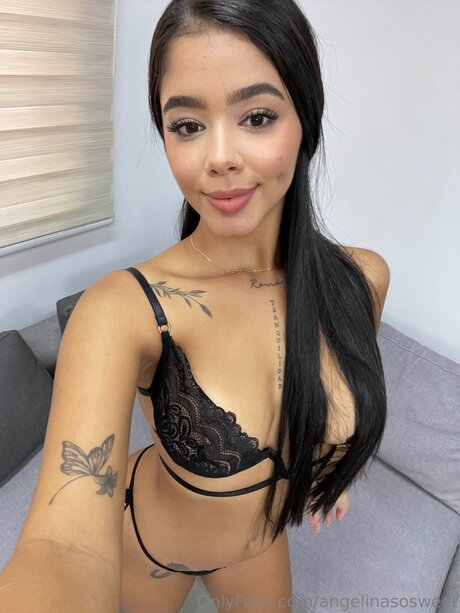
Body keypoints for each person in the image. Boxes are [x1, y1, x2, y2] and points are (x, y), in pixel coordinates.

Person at [0, 1, 390, 612]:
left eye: (257, 116)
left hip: (260, 543)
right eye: (187, 125)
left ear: (305, 119)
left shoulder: (360, 281)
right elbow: (62, 549)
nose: (219, 157)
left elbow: (329, 404)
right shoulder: (122, 309)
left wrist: (328, 468)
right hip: (152, 548)